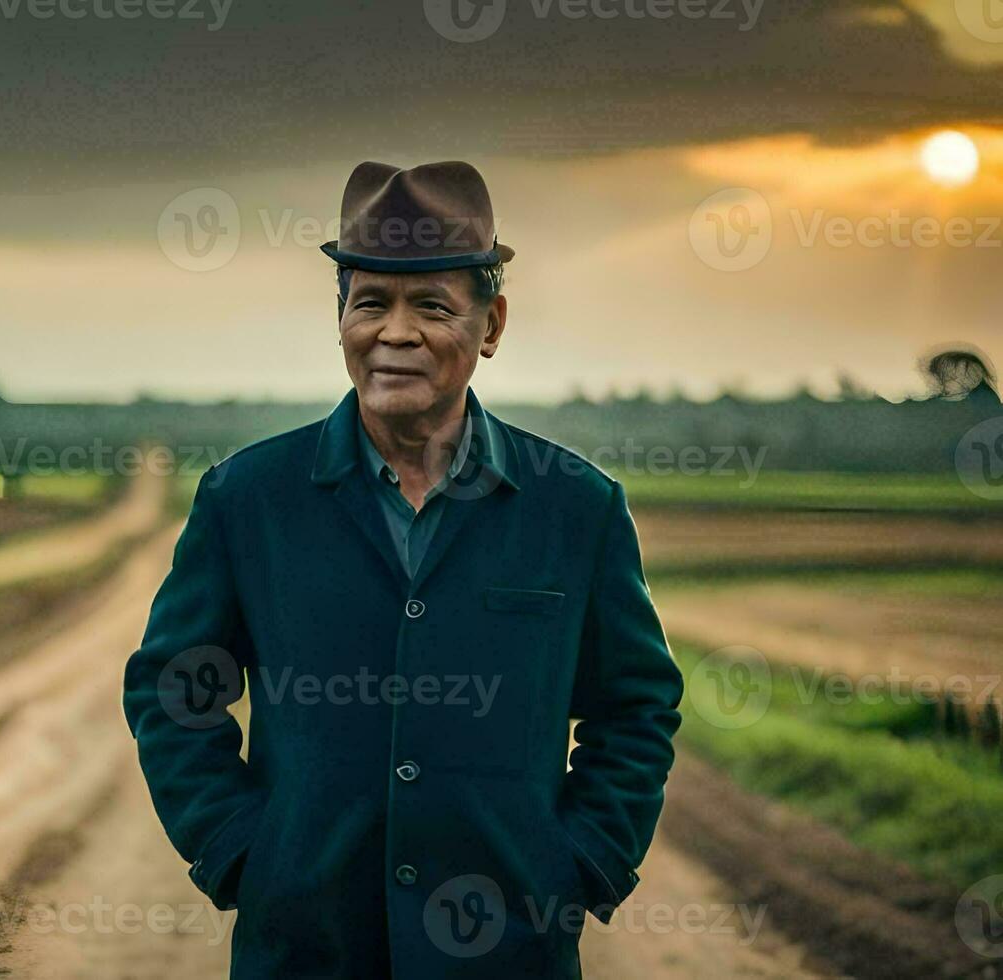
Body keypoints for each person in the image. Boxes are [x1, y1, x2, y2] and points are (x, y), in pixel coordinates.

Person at [123, 160, 683, 978]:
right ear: (340, 317)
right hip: (305, 951)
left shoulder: (577, 508)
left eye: (432, 306)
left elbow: (636, 708)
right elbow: (173, 691)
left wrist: (581, 863)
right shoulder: (249, 498)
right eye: (371, 302)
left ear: (491, 325)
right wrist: (242, 850)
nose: (396, 332)